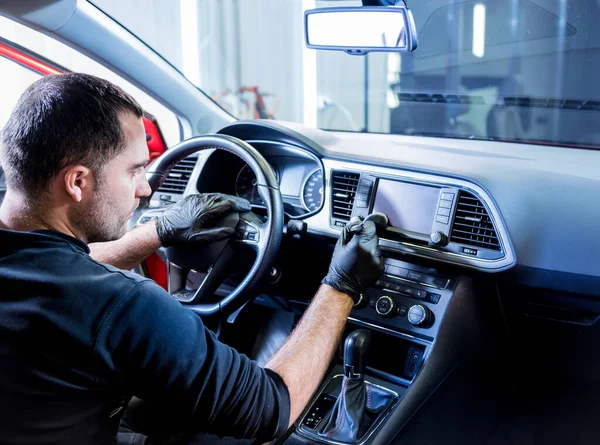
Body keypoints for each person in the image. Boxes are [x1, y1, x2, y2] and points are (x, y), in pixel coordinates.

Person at [0, 73, 384, 444]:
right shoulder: (120, 304)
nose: (145, 188)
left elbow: (53, 264)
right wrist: (340, 286)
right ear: (78, 182)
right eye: (134, 170)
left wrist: (159, 231)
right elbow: (273, 407)